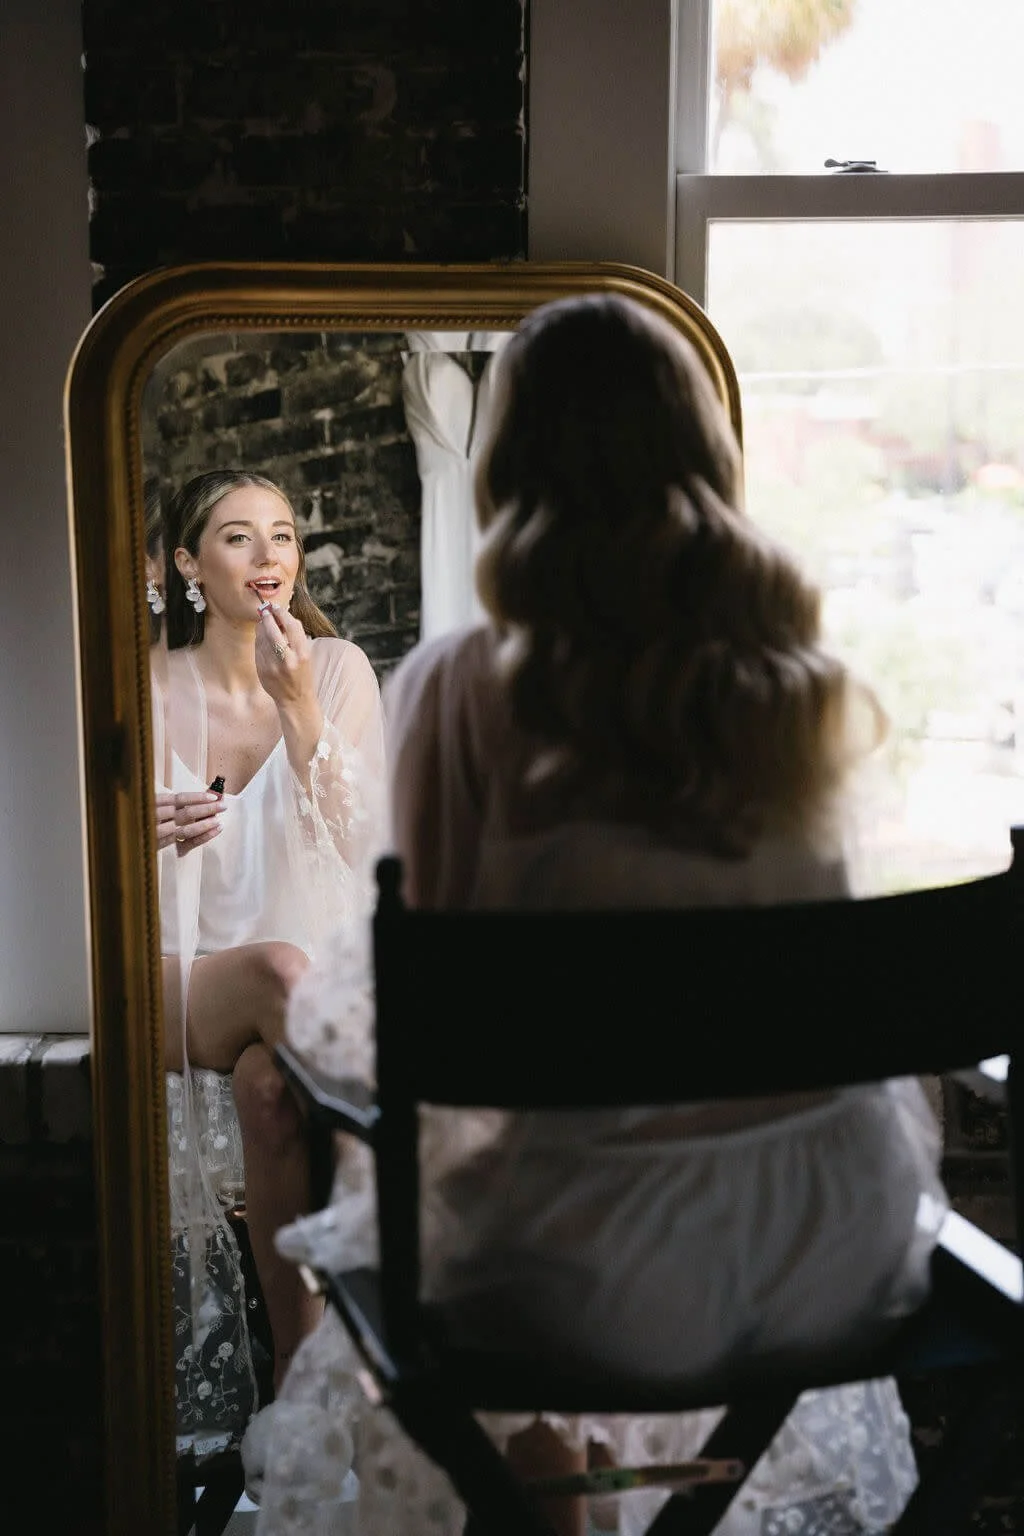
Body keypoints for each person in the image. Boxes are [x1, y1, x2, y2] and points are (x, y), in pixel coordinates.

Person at [251, 295, 949, 1536]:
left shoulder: (466, 688)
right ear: (702, 454)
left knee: (434, 1178)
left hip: (573, 1272)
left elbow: (421, 1017)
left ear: (514, 464)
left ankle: (546, 1494)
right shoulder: (802, 690)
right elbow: (833, 973)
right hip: (816, 1232)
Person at [151, 468, 387, 1434]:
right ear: (188, 565)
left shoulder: (336, 670)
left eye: (283, 536)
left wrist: (299, 710)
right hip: (180, 974)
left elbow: (365, 844)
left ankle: (302, 1385)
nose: (269, 559)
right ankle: (390, 1219)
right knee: (282, 969)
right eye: (239, 537)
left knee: (267, 1087)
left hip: (299, 1006)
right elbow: (64, 863)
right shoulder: (140, 685)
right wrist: (136, 834)